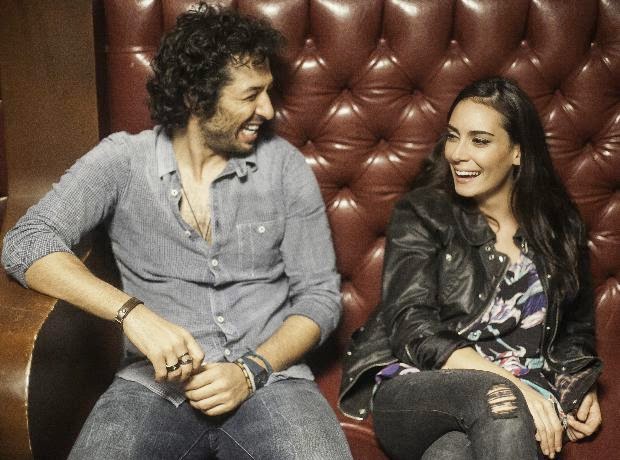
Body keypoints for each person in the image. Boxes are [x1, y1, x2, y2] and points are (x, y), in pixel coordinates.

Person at [2, 4, 352, 459]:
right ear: (194, 97)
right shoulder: (123, 161)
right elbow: (27, 242)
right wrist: (133, 314)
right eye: (250, 95)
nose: (267, 109)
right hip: (151, 385)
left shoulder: (283, 166)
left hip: (272, 380)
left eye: (268, 92)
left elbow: (319, 297)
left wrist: (251, 370)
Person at [338, 77, 602, 460]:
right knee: (500, 401)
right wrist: (512, 385)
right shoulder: (423, 213)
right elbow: (412, 326)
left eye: (479, 141)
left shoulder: (560, 226)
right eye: (453, 136)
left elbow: (575, 329)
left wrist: (577, 384)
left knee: (451, 453)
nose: (458, 154)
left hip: (518, 391)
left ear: (518, 152)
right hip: (418, 385)